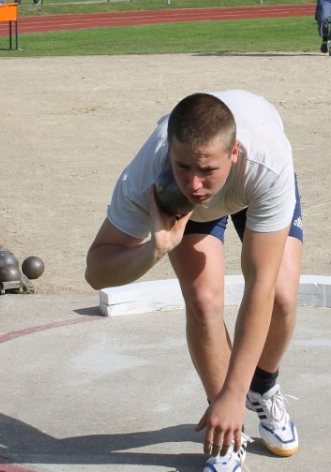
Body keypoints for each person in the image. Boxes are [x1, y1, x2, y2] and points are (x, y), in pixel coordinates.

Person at [85, 90, 303, 471]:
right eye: (183, 166)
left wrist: (239, 392)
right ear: (168, 151)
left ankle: (262, 388)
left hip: (253, 189)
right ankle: (225, 435)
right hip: (190, 212)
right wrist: (154, 249)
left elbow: (260, 285)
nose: (195, 184)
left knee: (282, 296)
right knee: (203, 301)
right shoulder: (148, 177)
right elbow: (97, 271)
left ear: (233, 153)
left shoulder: (268, 162)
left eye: (206, 170)